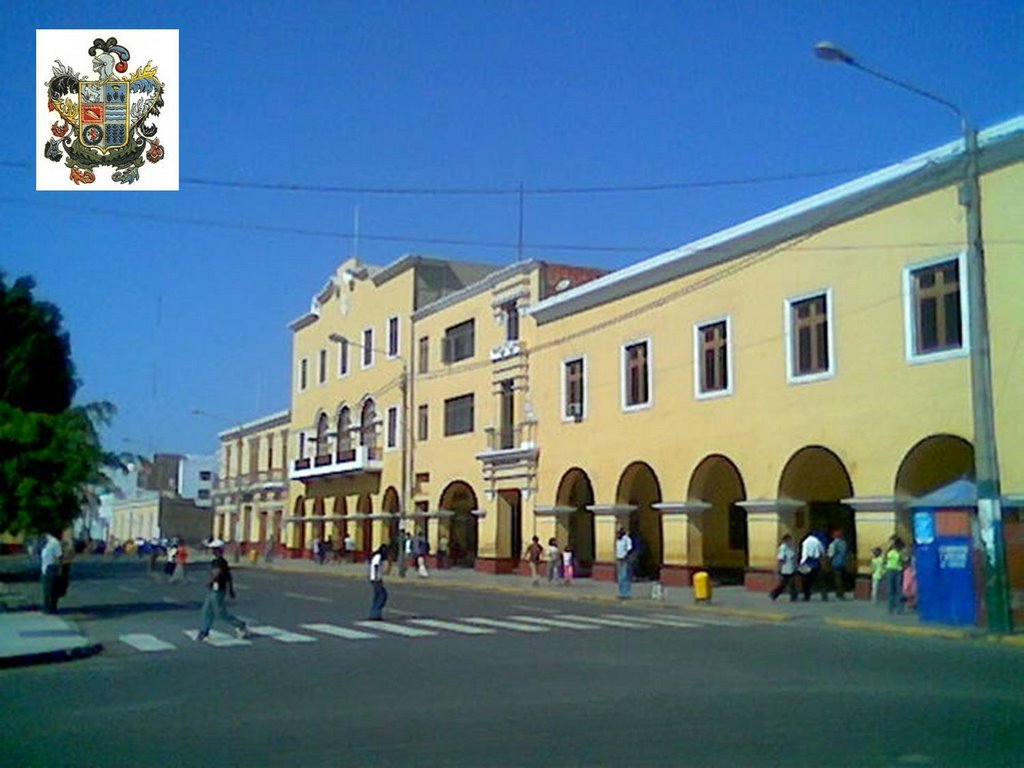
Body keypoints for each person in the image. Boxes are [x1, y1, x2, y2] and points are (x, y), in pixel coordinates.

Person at [196, 539, 249, 642]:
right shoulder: (216, 561)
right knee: (206, 610)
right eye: (212, 549)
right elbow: (228, 576)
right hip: (213, 589)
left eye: (215, 549)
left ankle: (240, 625)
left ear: (219, 550)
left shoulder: (220, 562)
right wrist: (230, 589)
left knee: (220, 613)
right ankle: (204, 631)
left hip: (219, 590)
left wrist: (213, 581)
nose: (213, 551)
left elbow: (219, 574)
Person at [769, 533, 798, 602]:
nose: (792, 541)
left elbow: (793, 557)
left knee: (789, 583)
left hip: (790, 568)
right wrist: (778, 568)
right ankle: (774, 594)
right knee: (785, 584)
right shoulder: (783, 548)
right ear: (786, 540)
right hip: (785, 569)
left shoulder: (790, 548)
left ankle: (792, 596)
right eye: (790, 540)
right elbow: (781, 559)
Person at [799, 531, 826, 601]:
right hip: (816, 562)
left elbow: (804, 553)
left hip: (807, 561)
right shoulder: (818, 541)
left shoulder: (805, 542)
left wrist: (802, 562)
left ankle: (806, 596)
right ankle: (824, 595)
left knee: (806, 580)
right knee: (820, 579)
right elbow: (822, 551)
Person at [39, 531, 62, 614]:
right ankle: (46, 608)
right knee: (46, 590)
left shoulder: (54, 542)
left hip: (51, 567)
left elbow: (59, 556)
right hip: (45, 568)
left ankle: (51, 608)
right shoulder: (46, 544)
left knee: (51, 590)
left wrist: (59, 568)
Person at [884, 536, 906, 614]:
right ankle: (890, 607)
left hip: (898, 570)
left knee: (898, 589)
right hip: (890, 570)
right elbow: (884, 558)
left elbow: (905, 559)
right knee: (890, 590)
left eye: (892, 542)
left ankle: (899, 608)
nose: (891, 543)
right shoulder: (889, 550)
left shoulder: (901, 550)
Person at [826, 529, 850, 600]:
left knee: (837, 579)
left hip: (836, 563)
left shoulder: (833, 544)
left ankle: (839, 594)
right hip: (843, 562)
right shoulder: (844, 543)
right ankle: (842, 593)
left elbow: (831, 554)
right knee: (842, 578)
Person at [368, 543, 388, 620]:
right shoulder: (378, 556)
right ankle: (375, 613)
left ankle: (375, 614)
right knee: (382, 596)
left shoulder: (377, 556)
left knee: (378, 597)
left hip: (376, 579)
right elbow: (376, 566)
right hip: (376, 579)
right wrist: (377, 578)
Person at [615, 528, 633, 599]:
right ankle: (621, 593)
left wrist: (626, 556)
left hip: (624, 559)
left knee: (625, 576)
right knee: (620, 577)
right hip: (618, 559)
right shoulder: (617, 540)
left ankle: (626, 594)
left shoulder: (626, 539)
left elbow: (629, 549)